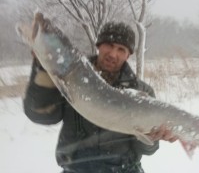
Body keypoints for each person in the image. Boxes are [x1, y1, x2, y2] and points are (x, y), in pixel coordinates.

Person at [23, 21, 177, 173]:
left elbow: (148, 150)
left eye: (121, 49)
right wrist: (42, 67)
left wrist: (152, 137)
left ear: (128, 54)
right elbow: (41, 116)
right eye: (109, 45)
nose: (112, 54)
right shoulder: (71, 77)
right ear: (99, 45)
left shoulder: (142, 91)